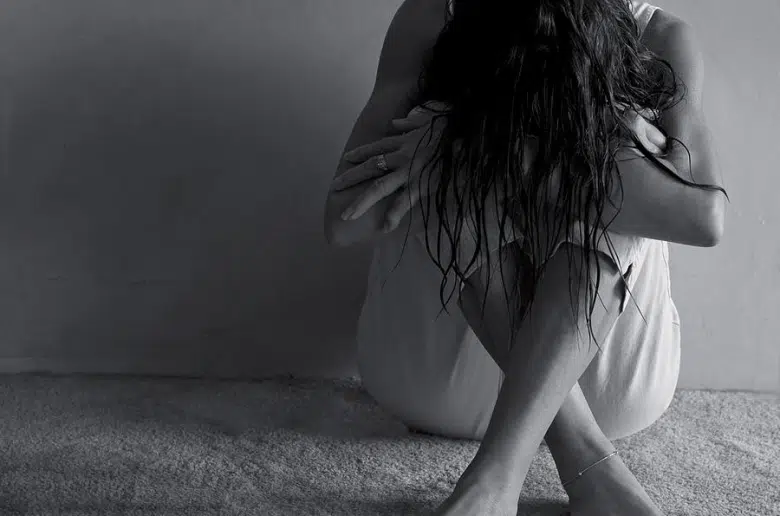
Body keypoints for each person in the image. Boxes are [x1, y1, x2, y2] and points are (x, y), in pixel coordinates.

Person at [323, 1, 728, 515]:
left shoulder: (659, 37)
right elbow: (343, 220)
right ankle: (587, 461)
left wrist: (477, 144)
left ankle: (495, 481)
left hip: (610, 378)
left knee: (602, 168)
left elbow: (704, 219)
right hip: (438, 371)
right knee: (473, 174)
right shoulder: (433, 17)